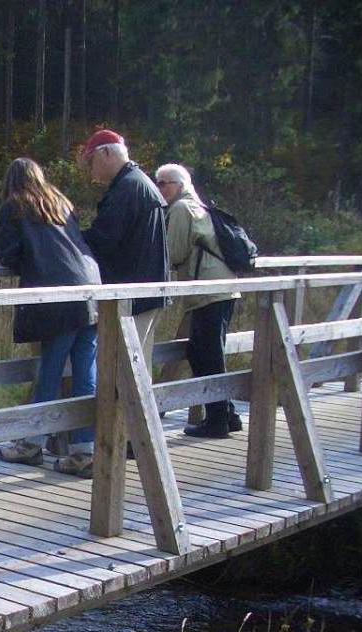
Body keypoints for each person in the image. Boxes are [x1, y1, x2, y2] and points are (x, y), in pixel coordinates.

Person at [0, 157, 102, 478]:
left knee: (50, 371)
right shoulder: (60, 202)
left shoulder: (16, 205)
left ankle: (31, 444)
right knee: (86, 374)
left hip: (58, 296)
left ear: (10, 181)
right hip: (90, 289)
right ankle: (84, 451)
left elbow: (9, 252)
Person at [155, 163, 242, 438]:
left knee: (208, 354)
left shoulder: (181, 208)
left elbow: (175, 253)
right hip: (219, 288)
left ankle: (218, 420)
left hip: (209, 290)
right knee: (204, 352)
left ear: (179, 185)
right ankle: (227, 413)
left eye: (163, 183)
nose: (159, 188)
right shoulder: (198, 205)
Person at [80, 129, 169, 372]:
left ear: (106, 153)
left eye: (91, 161)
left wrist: (68, 241)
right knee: (140, 365)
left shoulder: (127, 189)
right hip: (149, 289)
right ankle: (142, 412)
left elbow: (102, 240)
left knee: (125, 369)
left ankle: (123, 412)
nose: (91, 170)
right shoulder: (139, 182)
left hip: (134, 294)